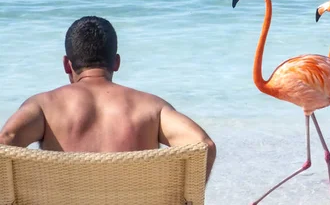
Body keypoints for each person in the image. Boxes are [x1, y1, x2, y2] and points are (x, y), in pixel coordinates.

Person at [0, 16, 216, 181]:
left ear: (67, 64)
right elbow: (204, 146)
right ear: (116, 63)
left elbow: (5, 142)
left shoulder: (43, 107)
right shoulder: (153, 109)